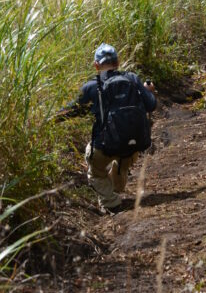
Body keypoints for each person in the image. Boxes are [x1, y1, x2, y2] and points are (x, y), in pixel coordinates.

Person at [59, 43, 156, 213]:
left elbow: (68, 112)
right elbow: (151, 105)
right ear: (118, 63)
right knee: (123, 159)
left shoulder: (91, 87)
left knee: (95, 170)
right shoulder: (133, 79)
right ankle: (117, 186)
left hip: (105, 148)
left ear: (96, 65)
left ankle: (111, 202)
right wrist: (150, 91)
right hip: (134, 147)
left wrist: (47, 120)